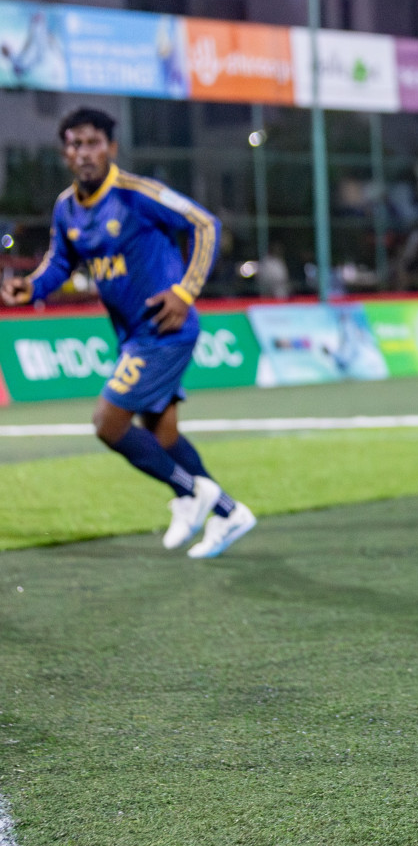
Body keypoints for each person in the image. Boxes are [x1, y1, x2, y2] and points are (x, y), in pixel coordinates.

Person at [0, 107, 257, 558]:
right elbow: (61, 261)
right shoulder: (66, 208)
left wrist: (186, 290)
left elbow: (205, 224)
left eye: (93, 143)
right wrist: (32, 286)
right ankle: (228, 513)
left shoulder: (138, 194)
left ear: (111, 148)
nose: (84, 153)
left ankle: (193, 495)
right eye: (75, 144)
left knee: (108, 422)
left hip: (165, 329)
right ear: (65, 153)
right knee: (163, 435)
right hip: (132, 336)